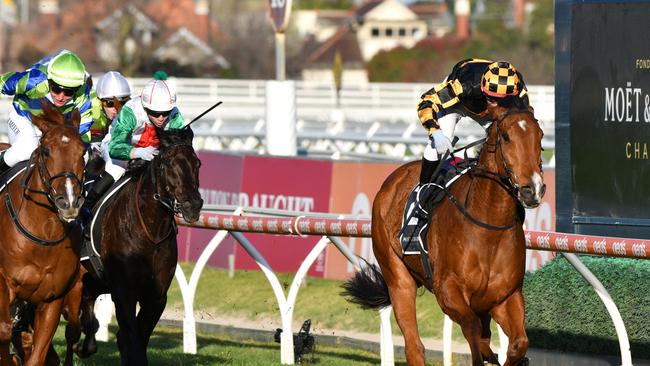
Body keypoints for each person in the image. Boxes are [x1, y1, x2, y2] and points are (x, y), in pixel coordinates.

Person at [416, 58, 531, 187]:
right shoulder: (464, 85)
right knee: (440, 143)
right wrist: (435, 132)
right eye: (491, 99)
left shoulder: (520, 93)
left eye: (502, 101)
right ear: (483, 87)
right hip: (459, 102)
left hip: (481, 103)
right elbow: (426, 102)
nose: (496, 105)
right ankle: (423, 189)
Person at [81, 78, 185, 214]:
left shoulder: (174, 115)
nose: (161, 118)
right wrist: (137, 152)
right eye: (155, 113)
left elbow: (180, 147)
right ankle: (87, 207)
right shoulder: (131, 111)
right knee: (117, 168)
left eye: (165, 113)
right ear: (145, 107)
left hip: (153, 150)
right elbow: (115, 147)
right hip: (117, 145)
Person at [0, 49, 93, 174]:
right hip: (25, 120)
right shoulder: (34, 81)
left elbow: (83, 130)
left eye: (68, 92)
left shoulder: (82, 95)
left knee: (82, 156)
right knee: (28, 148)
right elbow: (3, 83)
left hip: (55, 128)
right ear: (49, 80)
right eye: (56, 89)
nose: (60, 97)